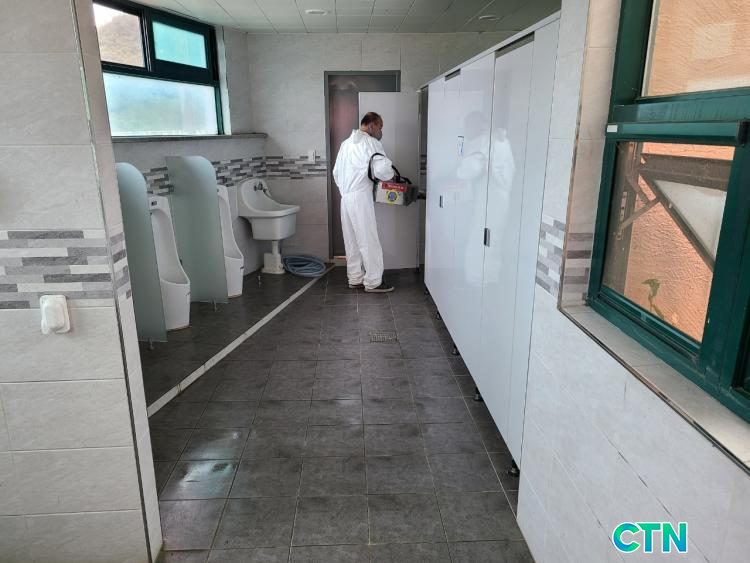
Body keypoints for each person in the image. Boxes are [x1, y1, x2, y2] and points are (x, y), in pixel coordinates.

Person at [333, 112, 395, 293]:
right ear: (371, 125)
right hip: (360, 197)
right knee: (368, 239)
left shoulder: (345, 144)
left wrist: (346, 190)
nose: (380, 131)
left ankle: (355, 278)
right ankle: (374, 282)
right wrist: (390, 176)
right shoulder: (371, 143)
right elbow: (382, 169)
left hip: (345, 198)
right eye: (380, 127)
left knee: (351, 240)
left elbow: (336, 173)